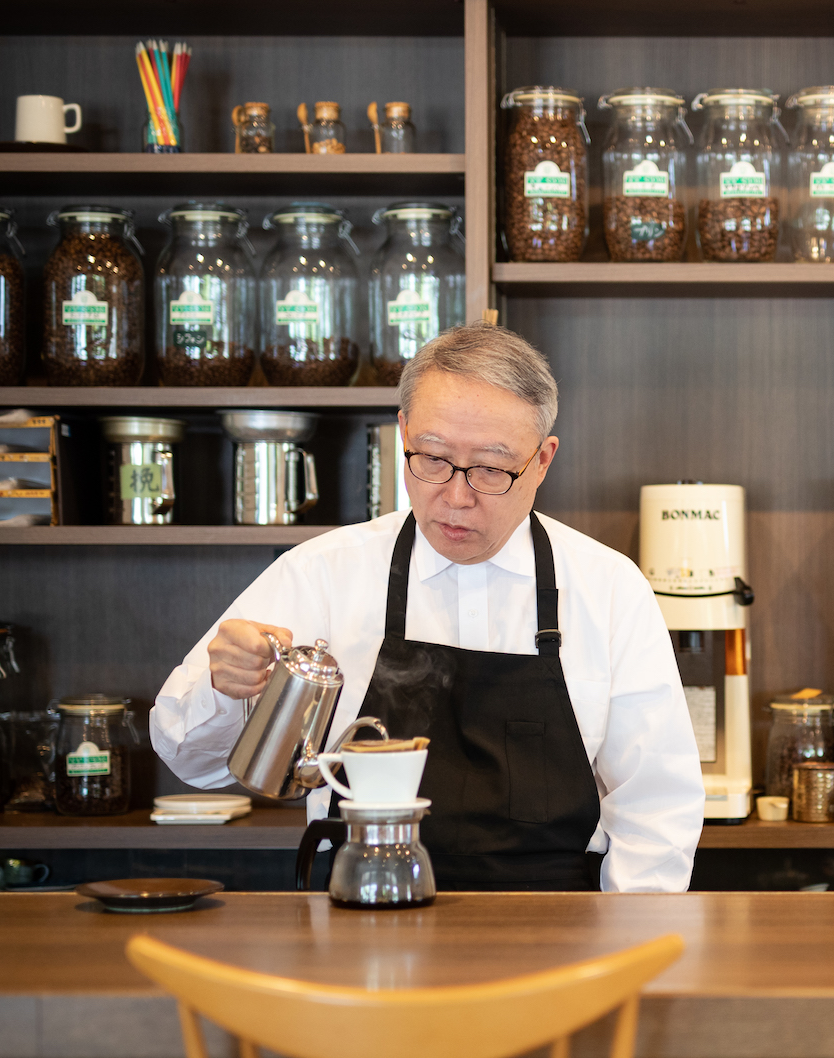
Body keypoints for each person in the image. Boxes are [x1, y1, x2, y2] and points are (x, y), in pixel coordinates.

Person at [151, 325, 704, 891]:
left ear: (542, 461)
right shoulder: (322, 574)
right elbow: (192, 762)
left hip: (555, 927)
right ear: (403, 434)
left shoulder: (607, 588)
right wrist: (224, 688)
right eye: (433, 458)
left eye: (491, 469)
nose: (457, 497)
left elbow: (656, 808)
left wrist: (619, 957)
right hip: (360, 917)